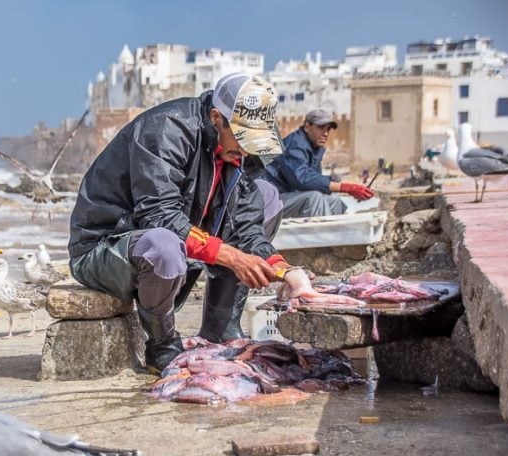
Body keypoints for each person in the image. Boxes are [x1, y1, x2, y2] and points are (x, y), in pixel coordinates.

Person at [68, 73, 321, 374]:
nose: (245, 151)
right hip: (108, 247)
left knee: (266, 197)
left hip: (176, 240)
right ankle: (161, 344)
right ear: (216, 118)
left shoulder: (236, 153)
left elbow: (247, 226)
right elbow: (158, 216)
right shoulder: (166, 130)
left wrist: (285, 270)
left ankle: (220, 329)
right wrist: (232, 256)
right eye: (241, 139)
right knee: (164, 244)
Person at [264, 109, 375, 218]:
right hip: (271, 202)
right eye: (321, 128)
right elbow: (302, 178)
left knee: (334, 200)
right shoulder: (295, 145)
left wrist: (338, 185)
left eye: (328, 129)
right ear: (307, 127)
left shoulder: (314, 148)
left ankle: (339, 232)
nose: (326, 133)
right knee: (314, 198)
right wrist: (346, 188)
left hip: (287, 197)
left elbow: (314, 181)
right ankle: (325, 236)